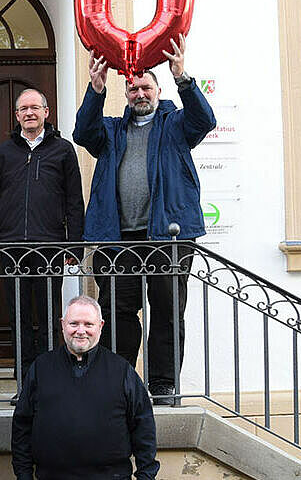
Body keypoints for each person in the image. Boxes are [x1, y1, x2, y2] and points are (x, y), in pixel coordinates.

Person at [71, 35, 215, 403]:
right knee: (117, 311)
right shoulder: (111, 130)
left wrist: (184, 78)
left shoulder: (176, 124)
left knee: (166, 312)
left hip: (168, 239)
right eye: (132, 88)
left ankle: (163, 384)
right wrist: (96, 89)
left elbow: (205, 119)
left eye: (145, 87)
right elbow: (82, 132)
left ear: (157, 89)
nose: (138, 93)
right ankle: (120, 381)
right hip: (119, 239)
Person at [0, 88, 84, 382]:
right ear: (17, 116)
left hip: (49, 247)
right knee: (18, 317)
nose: (29, 113)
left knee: (50, 315)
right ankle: (25, 378)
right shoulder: (4, 152)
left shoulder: (63, 150)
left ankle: (50, 377)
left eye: (35, 108)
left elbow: (74, 201)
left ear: (45, 112)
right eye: (24, 109)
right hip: (10, 247)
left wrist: (73, 247)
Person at [10, 296, 158, 480]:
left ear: (101, 326)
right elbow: (22, 426)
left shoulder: (122, 370)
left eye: (88, 324)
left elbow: (144, 426)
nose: (81, 331)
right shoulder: (41, 368)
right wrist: (23, 475)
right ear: (63, 324)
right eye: (74, 324)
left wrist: (146, 475)